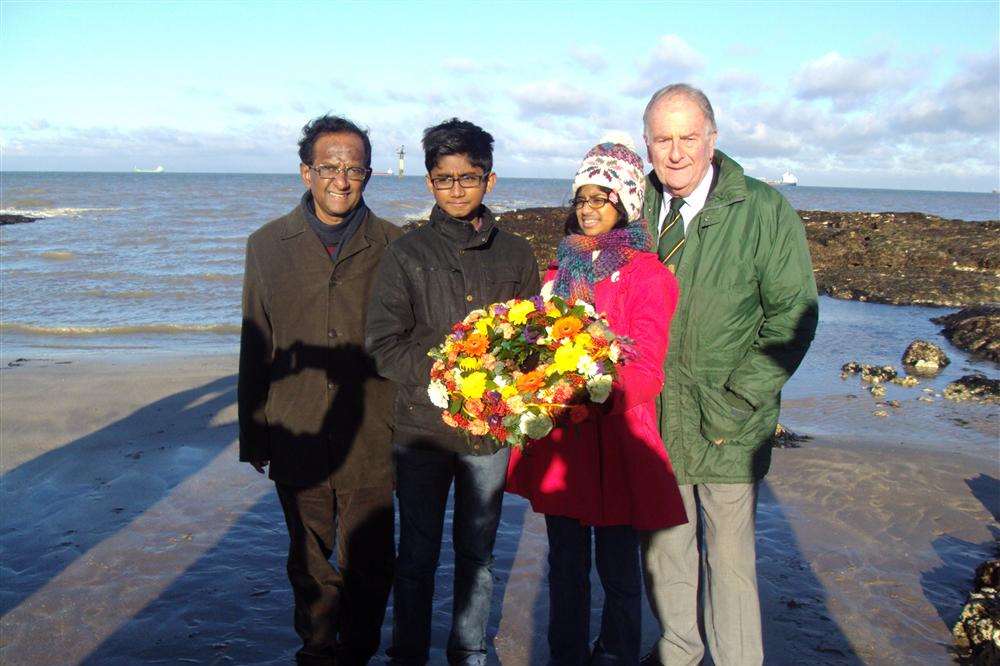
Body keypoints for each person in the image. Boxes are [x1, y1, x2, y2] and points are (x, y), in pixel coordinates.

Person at [639, 84, 819, 666]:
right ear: (646, 144)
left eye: (688, 138)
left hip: (728, 422)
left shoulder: (763, 210)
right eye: (663, 139)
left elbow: (794, 312)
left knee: (732, 564)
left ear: (712, 139)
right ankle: (678, 656)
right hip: (655, 421)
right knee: (665, 556)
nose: (676, 152)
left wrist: (741, 397)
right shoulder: (633, 210)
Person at [365, 118, 541, 665]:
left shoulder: (516, 255)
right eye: (445, 179)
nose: (457, 189)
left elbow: (533, 342)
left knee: (478, 554)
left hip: (490, 435)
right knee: (416, 553)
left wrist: (502, 383)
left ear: (490, 180)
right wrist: (453, 370)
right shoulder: (406, 254)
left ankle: (468, 652)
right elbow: (382, 344)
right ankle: (408, 652)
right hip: (420, 429)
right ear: (429, 183)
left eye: (469, 177)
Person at [506, 138, 687, 666]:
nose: (588, 209)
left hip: (617, 440)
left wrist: (599, 394)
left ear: (626, 204)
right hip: (565, 442)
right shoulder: (557, 275)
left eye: (602, 198)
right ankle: (564, 653)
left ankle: (615, 652)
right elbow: (536, 347)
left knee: (617, 566)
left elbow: (649, 367)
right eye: (582, 198)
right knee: (564, 562)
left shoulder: (649, 276)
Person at [238, 114, 401, 666]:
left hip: (374, 431)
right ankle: (317, 647)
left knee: (372, 559)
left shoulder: (395, 245)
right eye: (329, 167)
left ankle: (358, 650)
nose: (341, 179)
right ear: (305, 172)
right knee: (309, 557)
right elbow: (255, 341)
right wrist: (252, 432)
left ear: (370, 175)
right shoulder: (266, 245)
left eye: (354, 168)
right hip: (295, 426)